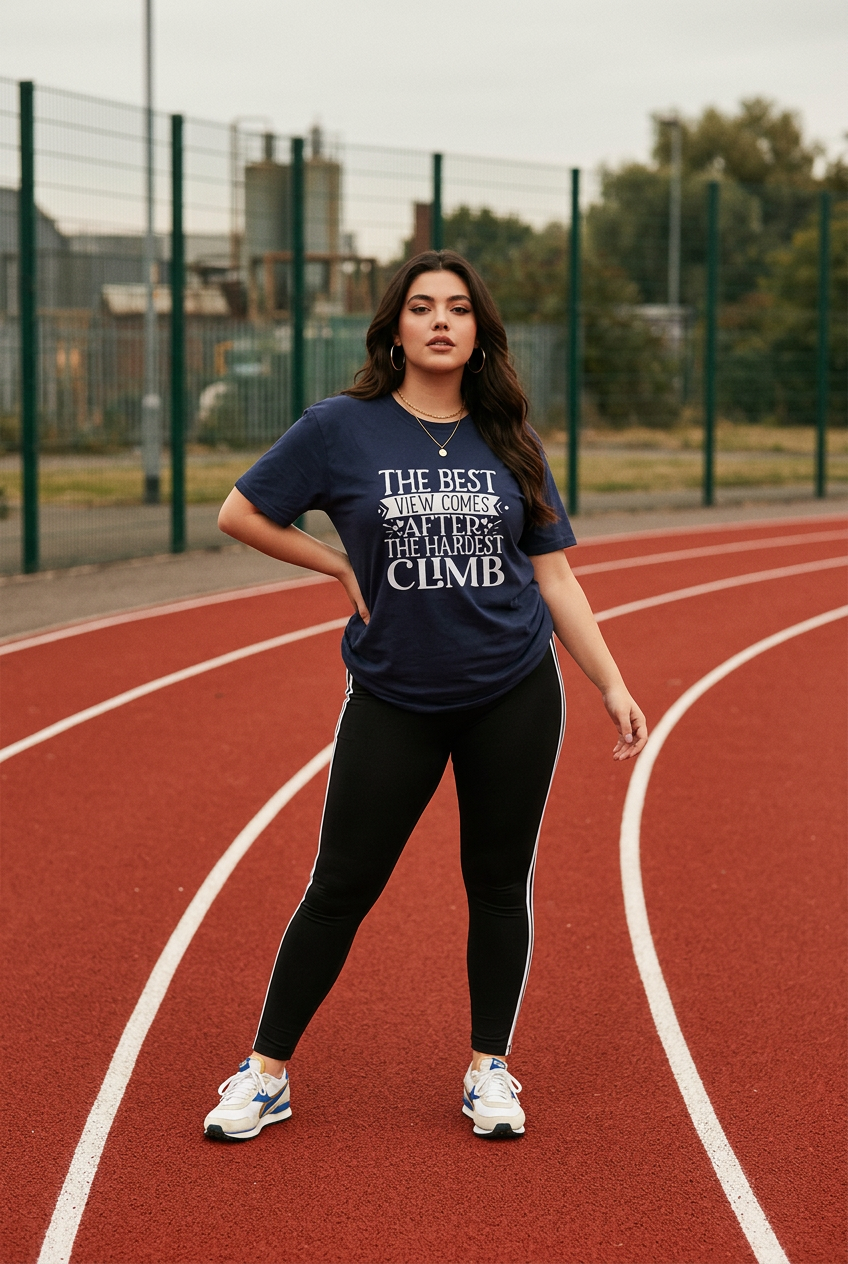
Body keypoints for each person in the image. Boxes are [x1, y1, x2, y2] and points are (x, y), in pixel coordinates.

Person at [205, 249, 647, 1142]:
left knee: (496, 883)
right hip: (394, 695)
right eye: (421, 307)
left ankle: (490, 1067)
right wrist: (333, 562)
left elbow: (554, 577)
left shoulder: (510, 438)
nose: (440, 320)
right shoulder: (341, 428)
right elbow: (240, 512)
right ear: (395, 327)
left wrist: (611, 680)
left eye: (457, 307)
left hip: (514, 692)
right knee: (340, 886)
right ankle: (266, 1074)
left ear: (480, 330)